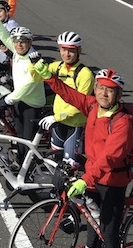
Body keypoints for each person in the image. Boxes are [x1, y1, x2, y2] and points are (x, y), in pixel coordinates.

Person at [33, 62, 133, 248]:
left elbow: (109, 158)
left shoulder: (122, 122)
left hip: (113, 179)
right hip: (93, 172)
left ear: (118, 95)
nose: (103, 93)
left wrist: (86, 178)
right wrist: (49, 78)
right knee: (90, 211)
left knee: (110, 236)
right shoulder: (92, 106)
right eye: (100, 88)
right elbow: (70, 94)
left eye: (110, 90)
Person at [0, 23, 46, 165]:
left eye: (23, 41)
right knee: (19, 135)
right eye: (16, 41)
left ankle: (27, 170)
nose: (19, 44)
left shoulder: (34, 60)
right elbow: (3, 34)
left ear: (30, 42)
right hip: (19, 101)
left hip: (32, 104)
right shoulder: (17, 52)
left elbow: (28, 85)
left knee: (27, 139)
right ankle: (20, 162)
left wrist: (8, 100)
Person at [38, 31, 94, 167]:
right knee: (54, 162)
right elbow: (39, 71)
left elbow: (80, 104)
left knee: (70, 165)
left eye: (71, 51)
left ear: (78, 50)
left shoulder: (85, 74)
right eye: (63, 49)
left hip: (74, 125)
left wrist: (57, 117)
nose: (66, 54)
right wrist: (32, 60)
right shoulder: (58, 66)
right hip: (58, 123)